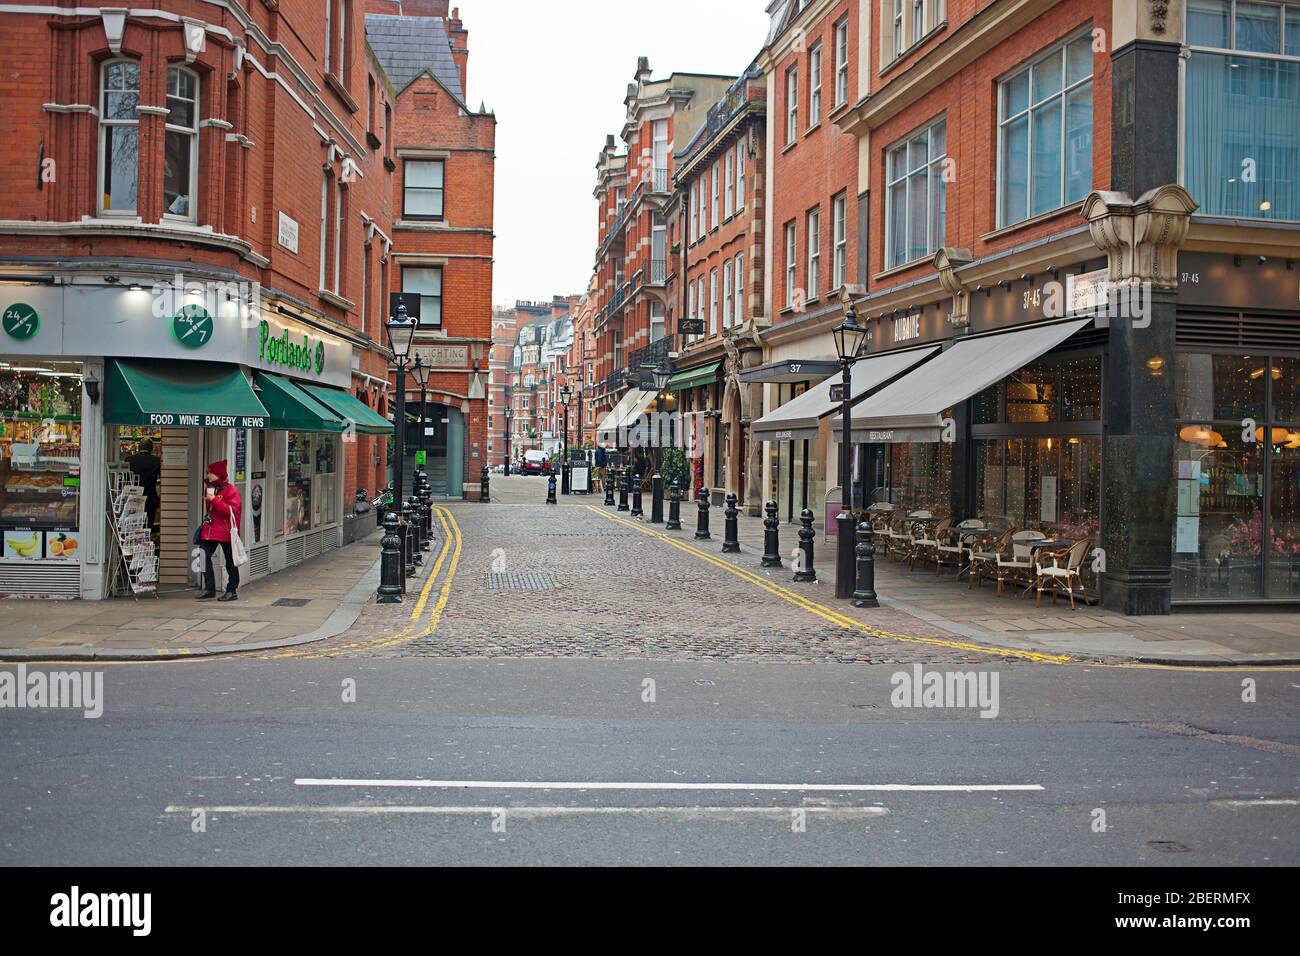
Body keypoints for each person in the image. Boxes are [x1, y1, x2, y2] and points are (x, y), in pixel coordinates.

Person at [198, 460, 242, 602]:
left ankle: (231, 590)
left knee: (230, 561)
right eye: (208, 472)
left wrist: (215, 500)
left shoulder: (231, 491)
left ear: (219, 474)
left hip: (226, 531)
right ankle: (209, 588)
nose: (208, 475)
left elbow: (233, 511)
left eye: (211, 472)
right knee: (203, 556)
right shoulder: (210, 488)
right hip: (210, 530)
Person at [128, 438, 161, 529]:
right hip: (150, 496)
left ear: (139, 447)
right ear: (151, 449)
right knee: (148, 523)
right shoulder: (156, 461)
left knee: (133, 522)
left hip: (134, 496)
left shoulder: (130, 460)